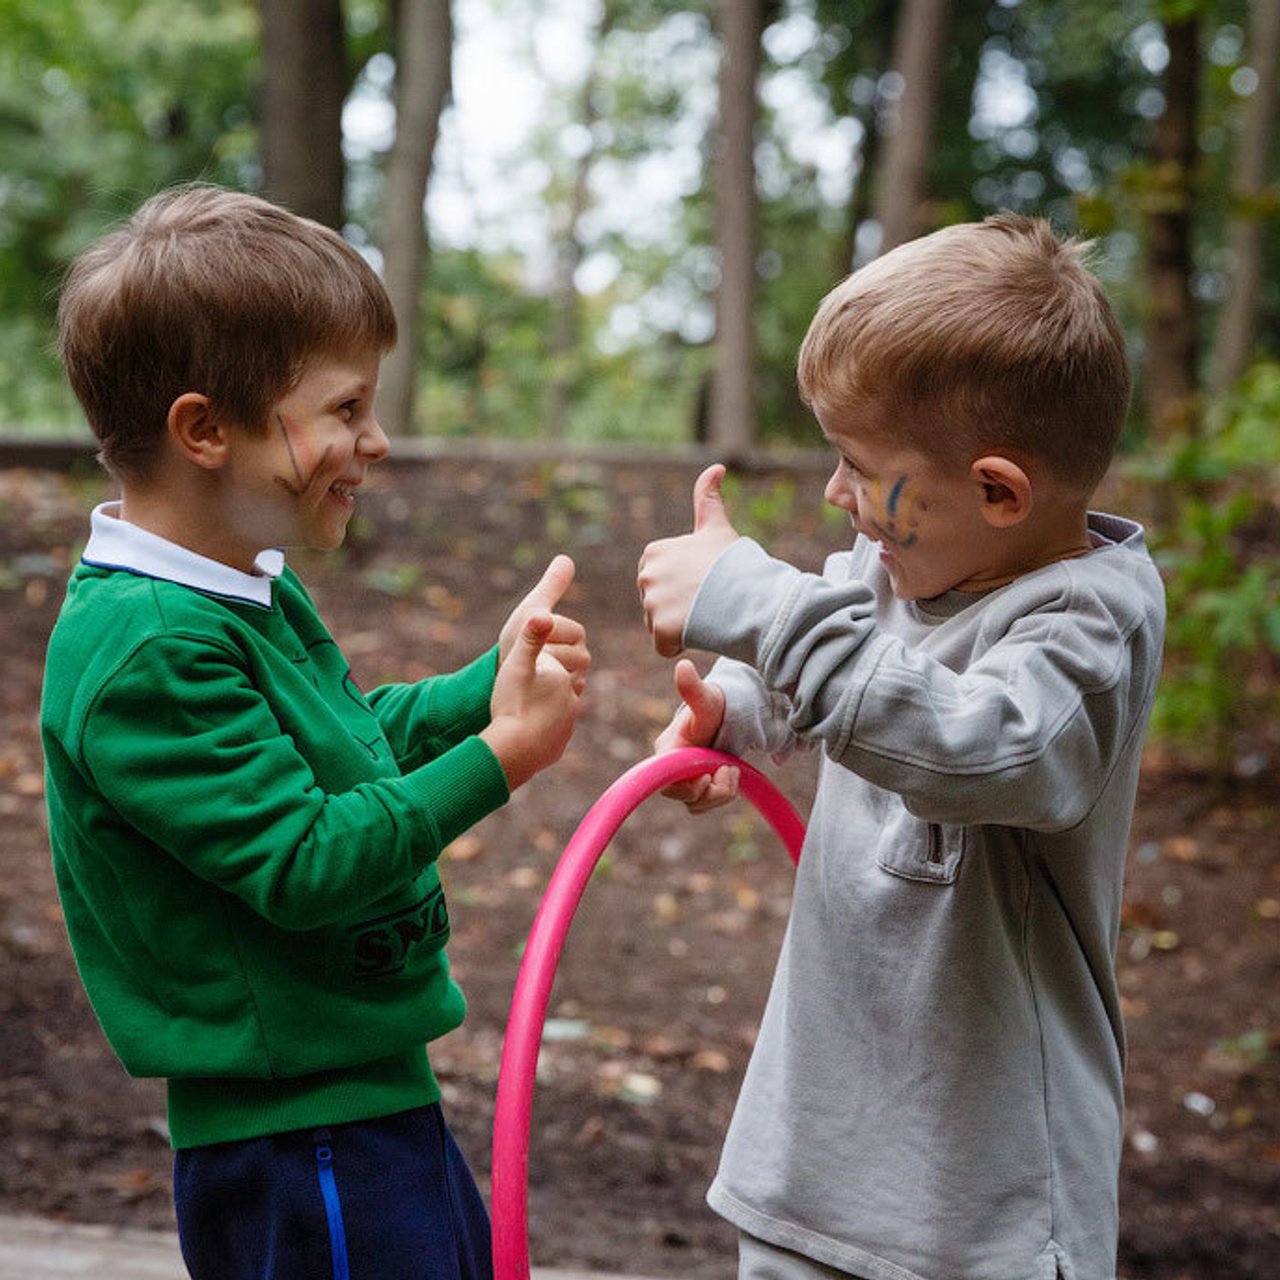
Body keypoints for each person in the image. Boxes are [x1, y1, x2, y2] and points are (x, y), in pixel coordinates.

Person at [41, 184, 589, 1280]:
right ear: (205, 430)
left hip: (365, 1094)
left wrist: (483, 689)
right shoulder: (150, 646)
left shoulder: (238, 587)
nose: (375, 441)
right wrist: (501, 756)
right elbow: (302, 856)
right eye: (344, 409)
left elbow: (342, 737)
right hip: (297, 1138)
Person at [637, 213, 1165, 1280]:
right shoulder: (894, 572)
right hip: (813, 1163)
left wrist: (761, 605)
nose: (836, 494)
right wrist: (731, 714)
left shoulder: (1087, 625)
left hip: (983, 1208)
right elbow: (821, 670)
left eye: (857, 465)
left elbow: (984, 751)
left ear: (997, 490)